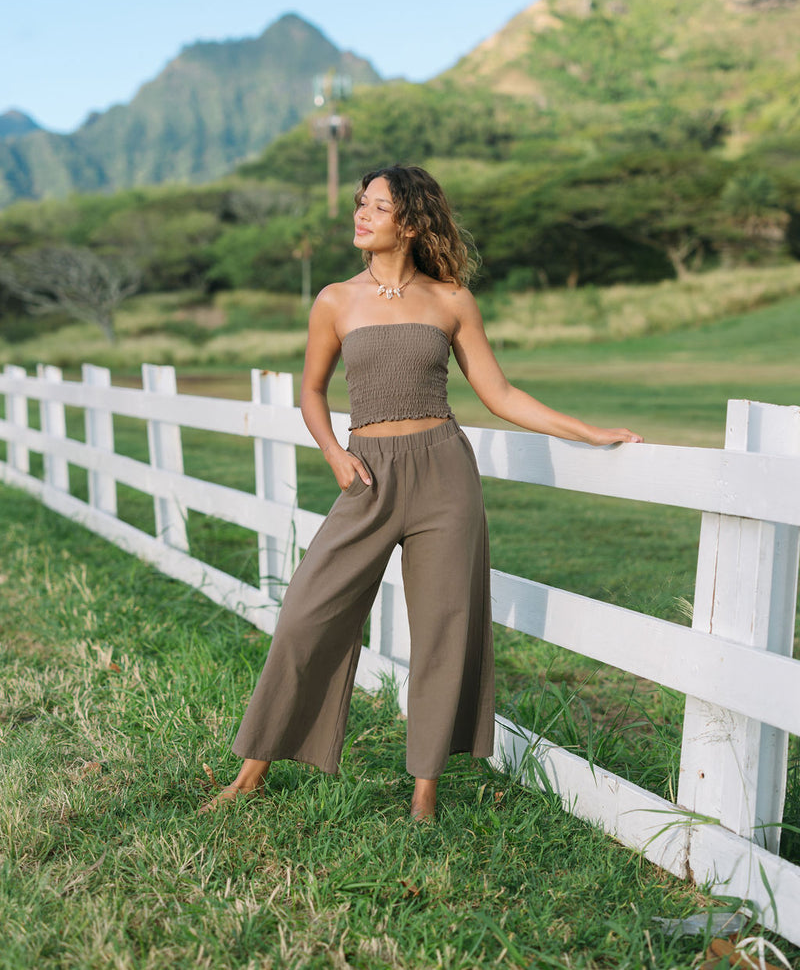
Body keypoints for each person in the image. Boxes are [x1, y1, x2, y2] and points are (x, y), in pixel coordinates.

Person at [201, 164, 643, 820]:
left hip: (443, 472)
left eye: (376, 206)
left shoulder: (452, 299)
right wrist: (333, 452)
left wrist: (589, 430)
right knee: (305, 614)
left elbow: (500, 393)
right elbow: (313, 391)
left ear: (409, 221)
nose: (361, 214)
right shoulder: (334, 300)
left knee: (442, 629)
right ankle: (252, 772)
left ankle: (425, 793)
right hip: (368, 472)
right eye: (360, 203)